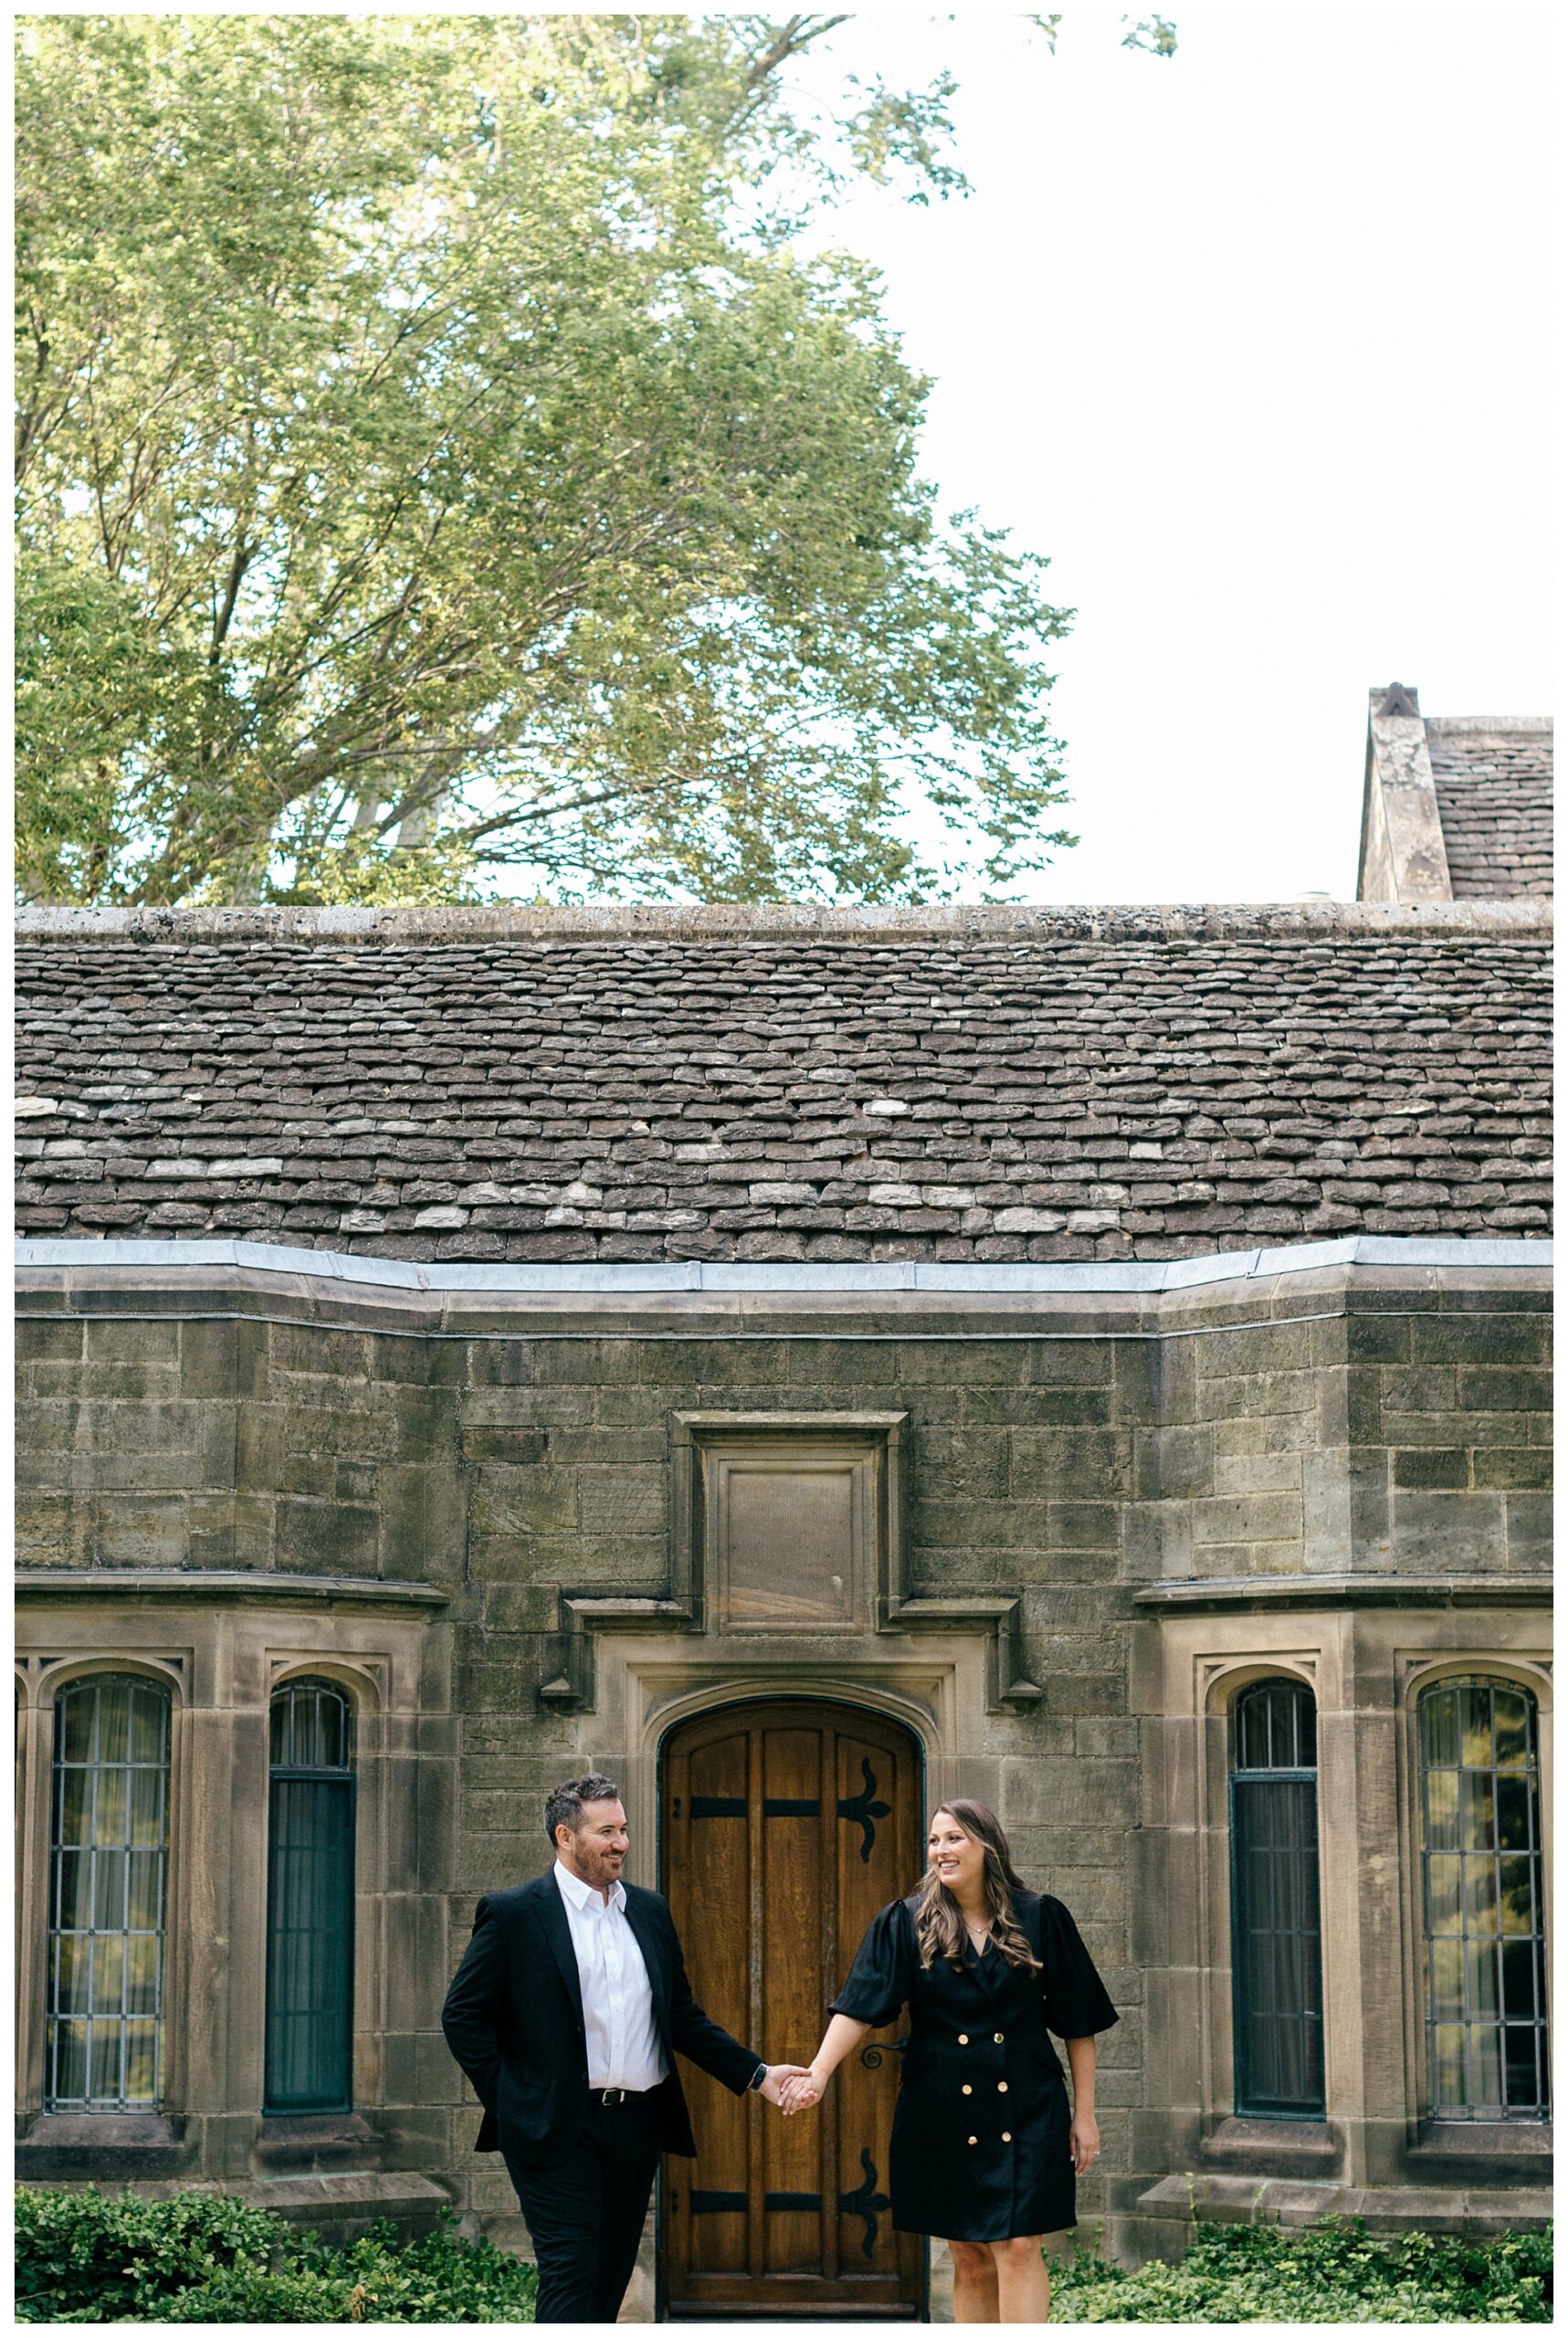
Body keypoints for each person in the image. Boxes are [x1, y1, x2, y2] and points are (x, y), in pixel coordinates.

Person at [441, 1773, 808, 2324]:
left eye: (625, 1830)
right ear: (565, 1836)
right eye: (606, 1831)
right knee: (570, 2269)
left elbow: (680, 2016)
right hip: (554, 2122)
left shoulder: (649, 1911)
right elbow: (463, 2015)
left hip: (636, 2124)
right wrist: (511, 2096)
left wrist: (757, 2074)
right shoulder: (516, 1914)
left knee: (610, 2273)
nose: (622, 1844)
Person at [781, 1798, 1117, 2325]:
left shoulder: (1041, 1917)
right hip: (942, 2109)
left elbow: (1079, 2023)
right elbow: (861, 2005)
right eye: (934, 1841)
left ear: (987, 1845)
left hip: (1028, 2104)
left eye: (954, 1838)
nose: (941, 1850)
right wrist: (818, 2072)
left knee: (1021, 2244)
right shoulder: (906, 1921)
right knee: (969, 2253)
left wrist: (1086, 2114)